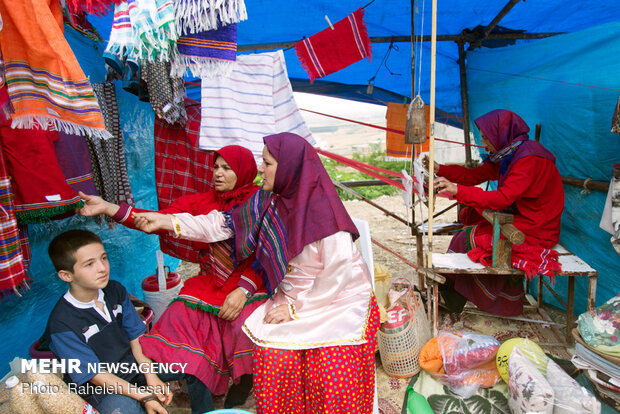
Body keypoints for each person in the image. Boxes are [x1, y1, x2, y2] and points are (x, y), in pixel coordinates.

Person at [132, 133, 380, 414]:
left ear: (289, 167)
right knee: (272, 357)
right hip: (294, 294)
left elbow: (338, 270)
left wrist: (296, 311)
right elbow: (222, 224)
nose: (261, 168)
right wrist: (167, 221)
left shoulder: (323, 212)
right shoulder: (268, 201)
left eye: (267, 162)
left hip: (337, 297)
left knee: (331, 365)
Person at [77, 145, 265, 407]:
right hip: (209, 282)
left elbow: (266, 254)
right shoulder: (201, 202)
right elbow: (157, 219)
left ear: (245, 170)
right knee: (180, 326)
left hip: (249, 280)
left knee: (243, 325)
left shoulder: (260, 201)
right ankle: (202, 401)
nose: (218, 174)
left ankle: (244, 382)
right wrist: (109, 208)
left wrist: (243, 291)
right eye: (215, 167)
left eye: (227, 168)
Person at [45, 230, 213, 414]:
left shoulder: (115, 290)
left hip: (132, 365)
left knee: (197, 362)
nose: (102, 268)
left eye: (103, 258)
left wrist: (151, 376)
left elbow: (136, 336)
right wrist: (144, 396)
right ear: (66, 275)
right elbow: (94, 375)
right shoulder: (61, 324)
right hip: (101, 387)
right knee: (125, 409)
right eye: (89, 264)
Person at [426, 109, 564, 316]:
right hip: (520, 218)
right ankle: (448, 294)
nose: (484, 144)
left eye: (486, 137)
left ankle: (490, 301)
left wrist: (457, 191)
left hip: (538, 226)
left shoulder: (529, 159)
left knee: (473, 240)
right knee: (464, 235)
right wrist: (440, 169)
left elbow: (502, 198)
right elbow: (476, 175)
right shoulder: (507, 154)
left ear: (500, 134)